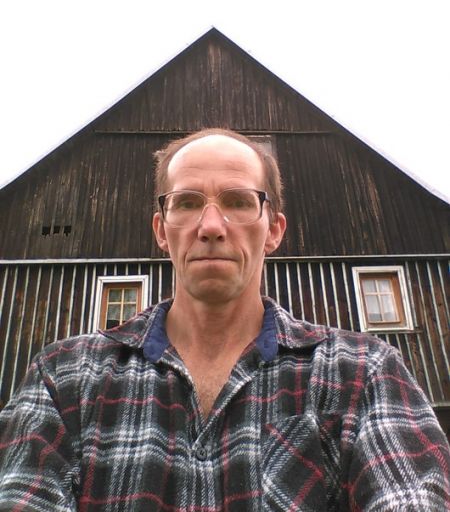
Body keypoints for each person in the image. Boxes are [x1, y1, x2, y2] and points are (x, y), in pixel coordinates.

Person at [0, 128, 449, 511]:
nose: (211, 226)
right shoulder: (64, 379)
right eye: (187, 202)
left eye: (237, 201)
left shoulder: (363, 375)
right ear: (161, 230)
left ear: (273, 230)